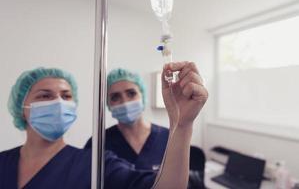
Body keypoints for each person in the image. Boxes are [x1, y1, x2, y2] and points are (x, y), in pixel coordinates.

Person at [0, 61, 208, 189]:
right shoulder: (3, 162)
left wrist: (181, 125)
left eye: (66, 96)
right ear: (21, 107)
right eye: (45, 95)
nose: (59, 103)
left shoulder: (94, 162)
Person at [84, 68, 169, 171]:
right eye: (115, 97)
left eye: (131, 94)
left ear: (143, 95)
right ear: (108, 104)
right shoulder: (98, 143)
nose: (124, 102)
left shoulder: (168, 139)